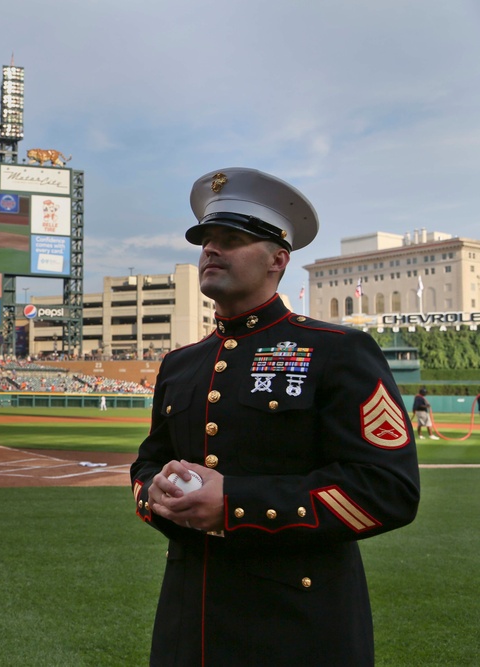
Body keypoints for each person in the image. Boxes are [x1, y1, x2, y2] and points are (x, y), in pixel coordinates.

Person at [130, 168, 420, 666]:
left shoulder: (338, 350)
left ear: (278, 260)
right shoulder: (181, 364)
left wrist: (235, 503)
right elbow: (148, 463)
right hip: (188, 625)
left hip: (297, 628)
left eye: (232, 239)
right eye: (206, 240)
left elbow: (388, 489)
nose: (211, 250)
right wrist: (153, 492)